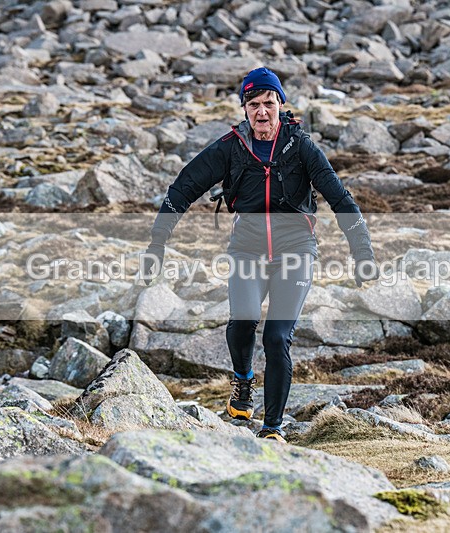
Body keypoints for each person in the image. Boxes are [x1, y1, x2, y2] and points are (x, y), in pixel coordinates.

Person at [141, 67, 378, 442]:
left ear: (281, 104)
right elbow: (183, 188)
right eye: (254, 105)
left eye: (269, 102)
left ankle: (273, 428)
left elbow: (339, 197)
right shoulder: (231, 147)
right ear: (245, 109)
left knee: (277, 336)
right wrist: (157, 243)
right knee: (242, 322)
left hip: (295, 250)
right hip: (248, 249)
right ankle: (243, 382)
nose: (262, 111)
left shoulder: (301, 147)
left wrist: (362, 250)